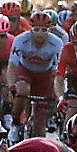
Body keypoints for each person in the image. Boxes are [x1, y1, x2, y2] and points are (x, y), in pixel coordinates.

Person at [7, 11, 64, 141]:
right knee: (22, 89)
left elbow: (57, 73)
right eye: (36, 29)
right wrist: (11, 87)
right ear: (30, 29)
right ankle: (16, 122)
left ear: (49, 30)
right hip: (24, 71)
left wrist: (56, 93)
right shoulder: (20, 40)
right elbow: (11, 66)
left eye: (44, 30)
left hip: (45, 75)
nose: (39, 33)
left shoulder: (57, 44)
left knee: (40, 121)